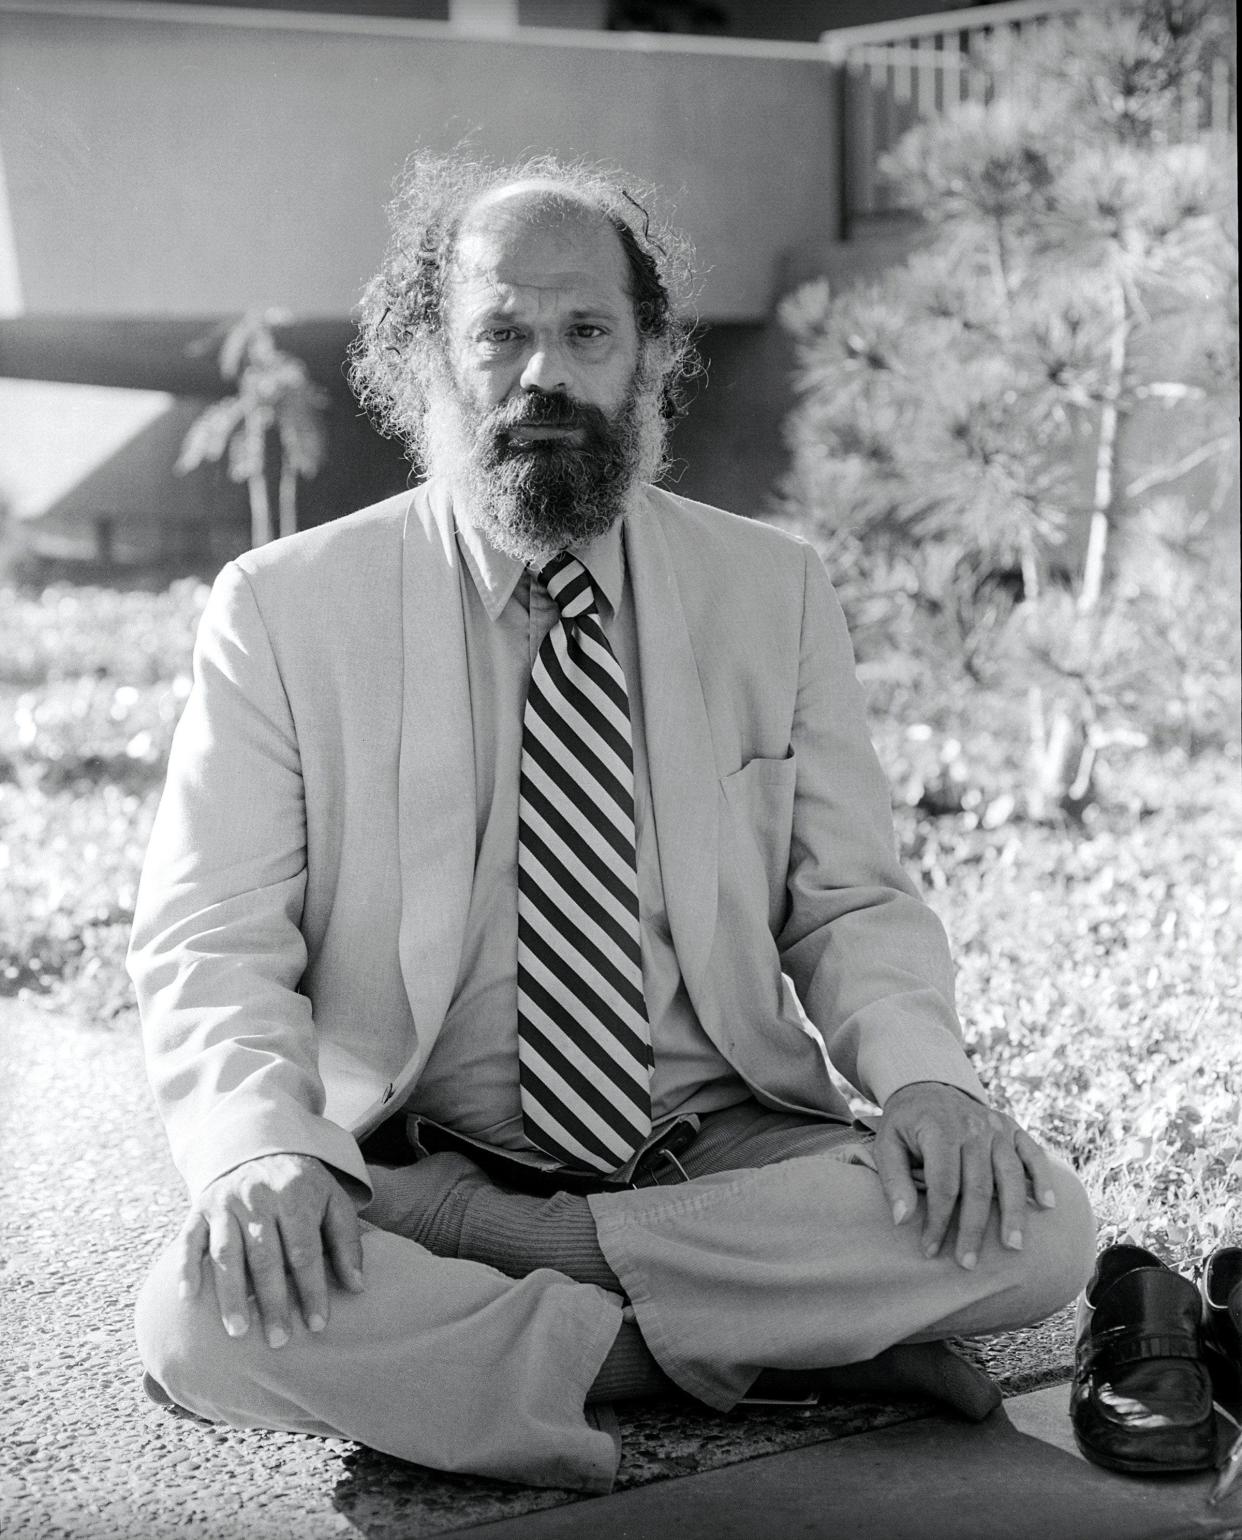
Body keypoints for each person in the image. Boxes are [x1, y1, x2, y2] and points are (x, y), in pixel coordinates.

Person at [130, 151, 1095, 1493]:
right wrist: (260, 1156)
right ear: (429, 364)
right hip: (424, 1152)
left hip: (708, 1148)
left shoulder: (772, 590)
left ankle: (537, 1305)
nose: (543, 377)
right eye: (501, 336)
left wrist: (928, 1082)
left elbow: (852, 903)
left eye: (585, 332)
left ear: (648, 357)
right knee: (198, 1318)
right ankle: (761, 1347)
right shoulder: (285, 608)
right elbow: (209, 937)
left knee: (1039, 1224)